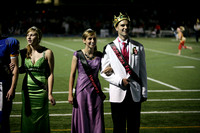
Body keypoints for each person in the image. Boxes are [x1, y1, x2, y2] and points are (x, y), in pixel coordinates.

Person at [100, 12, 147, 133]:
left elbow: (143, 71)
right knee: (118, 128)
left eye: (127, 25)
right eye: (122, 25)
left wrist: (144, 92)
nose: (125, 27)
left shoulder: (139, 47)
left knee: (134, 127)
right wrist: (119, 81)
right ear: (116, 27)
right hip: (117, 93)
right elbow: (104, 72)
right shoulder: (109, 48)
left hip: (135, 93)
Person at [68, 29, 107, 133]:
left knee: (97, 117)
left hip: (96, 91)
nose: (92, 41)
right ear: (84, 40)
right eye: (90, 38)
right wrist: (70, 94)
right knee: (83, 117)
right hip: (82, 91)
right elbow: (72, 75)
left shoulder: (100, 55)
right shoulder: (77, 54)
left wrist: (110, 69)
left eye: (94, 38)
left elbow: (105, 71)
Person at [19, 26, 56, 133]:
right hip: (27, 89)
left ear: (38, 37)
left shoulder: (48, 52)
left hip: (41, 91)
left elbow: (50, 74)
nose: (29, 37)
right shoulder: (23, 52)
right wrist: (13, 67)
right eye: (27, 35)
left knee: (41, 118)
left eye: (32, 35)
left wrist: (50, 93)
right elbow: (22, 69)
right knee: (27, 117)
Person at [0, 33, 19, 133]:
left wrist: (12, 87)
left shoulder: (9, 42)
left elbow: (15, 67)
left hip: (2, 84)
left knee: (3, 117)